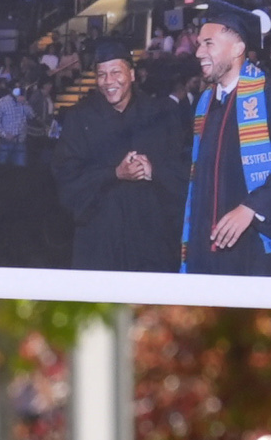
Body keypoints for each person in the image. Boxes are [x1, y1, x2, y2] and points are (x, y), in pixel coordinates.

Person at [181, 0, 271, 276]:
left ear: (238, 49)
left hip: (253, 251)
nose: (198, 52)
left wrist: (252, 208)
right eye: (199, 44)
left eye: (208, 43)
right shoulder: (205, 102)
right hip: (206, 248)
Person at [50, 38, 187, 274]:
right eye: (101, 74)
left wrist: (154, 171)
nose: (108, 81)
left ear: (132, 75)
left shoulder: (162, 115)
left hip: (150, 242)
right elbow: (66, 178)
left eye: (116, 72)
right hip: (100, 241)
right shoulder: (80, 119)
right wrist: (114, 173)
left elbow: (183, 170)